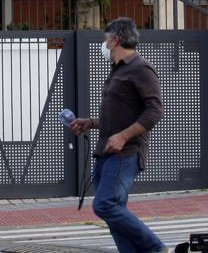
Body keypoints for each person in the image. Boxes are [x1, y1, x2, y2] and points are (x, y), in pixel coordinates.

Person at [67, 18, 169, 253]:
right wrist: (90, 123)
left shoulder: (141, 68)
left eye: (106, 39)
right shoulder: (118, 70)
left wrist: (123, 137)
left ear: (115, 40)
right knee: (115, 211)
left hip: (126, 153)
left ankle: (156, 248)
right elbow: (119, 116)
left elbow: (155, 111)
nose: (104, 45)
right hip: (107, 152)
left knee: (105, 205)